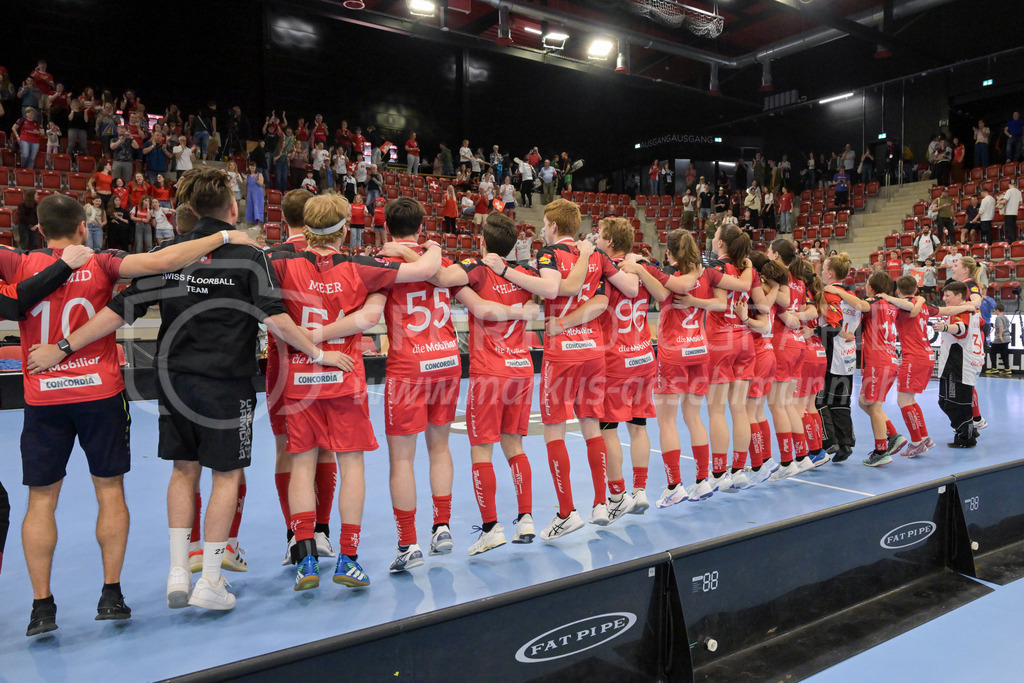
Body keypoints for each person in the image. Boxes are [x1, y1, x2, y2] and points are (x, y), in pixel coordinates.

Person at [27, 170, 341, 614]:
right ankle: (210, 579)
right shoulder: (250, 255)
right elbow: (275, 319)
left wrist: (63, 347)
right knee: (226, 476)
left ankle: (179, 569)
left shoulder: (169, 254)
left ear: (190, 209)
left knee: (182, 470)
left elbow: (120, 310)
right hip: (227, 383)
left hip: (174, 380)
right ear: (233, 208)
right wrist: (319, 352)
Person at [15, 192, 258, 634]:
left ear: (39, 229)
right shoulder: (104, 261)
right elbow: (162, 262)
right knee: (112, 492)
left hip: (45, 395)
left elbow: (124, 300)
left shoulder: (18, 264)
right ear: (84, 226)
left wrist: (59, 348)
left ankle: (41, 607)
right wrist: (224, 236)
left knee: (41, 500)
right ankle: (113, 595)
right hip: (101, 394)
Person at [269, 193, 439, 589]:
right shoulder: (361, 266)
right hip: (344, 378)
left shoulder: (278, 262)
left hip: (299, 379)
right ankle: (348, 557)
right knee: (352, 466)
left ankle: (305, 559)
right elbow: (428, 269)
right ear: (345, 229)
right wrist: (429, 246)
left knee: (302, 465)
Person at [484, 199, 638, 539]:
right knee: (591, 425)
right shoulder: (596, 256)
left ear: (553, 226)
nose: (542, 229)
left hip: (563, 353)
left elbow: (553, 288)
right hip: (593, 351)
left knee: (554, 431)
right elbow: (617, 294)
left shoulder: (549, 254)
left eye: (544, 224)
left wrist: (506, 271)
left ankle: (567, 512)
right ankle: (601, 503)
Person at [422, 212, 541, 553]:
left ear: (481, 241)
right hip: (521, 369)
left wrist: (427, 249)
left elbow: (441, 277)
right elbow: (542, 297)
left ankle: (491, 527)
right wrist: (525, 310)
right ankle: (526, 518)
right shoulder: (525, 275)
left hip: (490, 372)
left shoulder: (476, 269)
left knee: (481, 449)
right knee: (515, 446)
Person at [375, 198, 461, 571]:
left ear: (386, 228)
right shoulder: (440, 261)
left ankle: (408, 543)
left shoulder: (385, 263)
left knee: (402, 459)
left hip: (409, 366)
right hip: (447, 360)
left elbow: (368, 314)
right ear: (421, 227)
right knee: (440, 447)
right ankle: (442, 527)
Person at [825, 271, 907, 467]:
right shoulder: (891, 305)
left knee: (875, 407)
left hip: (879, 360)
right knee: (864, 402)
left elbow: (861, 305)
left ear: (871, 287)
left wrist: (839, 291)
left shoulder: (874, 302)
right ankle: (893, 435)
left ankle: (881, 451)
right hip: (890, 359)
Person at [879, 276, 939, 457]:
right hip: (926, 355)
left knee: (903, 401)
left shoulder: (901, 304)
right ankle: (924, 438)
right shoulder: (922, 304)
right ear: (916, 290)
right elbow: (946, 309)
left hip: (914, 357)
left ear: (898, 291)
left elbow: (909, 307)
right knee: (910, 400)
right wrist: (969, 306)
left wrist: (887, 297)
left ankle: (917, 442)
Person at [816, 253, 860, 463]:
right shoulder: (852, 295)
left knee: (819, 399)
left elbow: (834, 325)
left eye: (824, 268)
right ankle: (846, 443)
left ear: (830, 274)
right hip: (848, 354)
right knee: (841, 401)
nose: (821, 271)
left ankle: (829, 440)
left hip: (831, 351)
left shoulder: (829, 294)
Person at [933, 281, 985, 447]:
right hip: (958, 361)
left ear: (959, 296)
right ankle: (968, 429)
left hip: (960, 363)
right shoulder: (970, 310)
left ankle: (966, 437)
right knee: (945, 401)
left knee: (955, 403)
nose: (944, 298)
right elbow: (982, 325)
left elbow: (961, 329)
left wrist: (945, 327)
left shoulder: (963, 309)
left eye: (948, 295)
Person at [988, 304, 1012, 375]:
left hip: (1000, 338)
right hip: (1007, 338)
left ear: (997, 310)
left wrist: (1000, 336)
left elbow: (1001, 326)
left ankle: (994, 368)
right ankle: (1007, 369)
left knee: (992, 352)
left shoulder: (998, 317)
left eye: (995, 310)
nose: (995, 312)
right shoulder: (1005, 317)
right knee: (1004, 353)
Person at [245, 162, 265, 230]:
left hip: (257, 194)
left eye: (253, 166)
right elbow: (245, 184)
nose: (252, 167)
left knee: (257, 207)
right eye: (251, 166)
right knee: (251, 207)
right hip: (250, 193)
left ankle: (259, 225)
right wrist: (245, 179)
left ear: (255, 167)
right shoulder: (248, 175)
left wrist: (256, 179)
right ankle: (254, 224)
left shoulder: (259, 174)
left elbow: (261, 184)